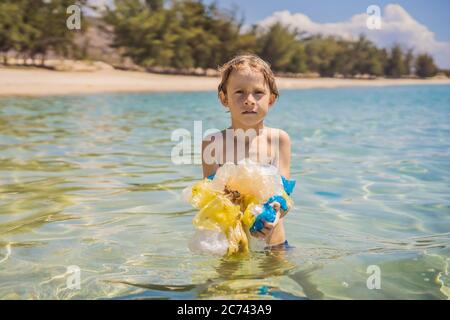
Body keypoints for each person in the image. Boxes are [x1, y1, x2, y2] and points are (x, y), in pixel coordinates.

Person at [201, 54, 293, 250]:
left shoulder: (279, 140)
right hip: (233, 245)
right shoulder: (213, 143)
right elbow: (210, 197)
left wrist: (275, 213)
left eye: (258, 92)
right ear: (224, 98)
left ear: (271, 99)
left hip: (274, 243)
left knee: (278, 280)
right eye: (240, 92)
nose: (249, 100)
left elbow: (284, 194)